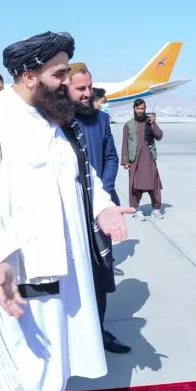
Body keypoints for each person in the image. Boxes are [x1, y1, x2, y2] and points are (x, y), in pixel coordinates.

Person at [0, 31, 133, 391]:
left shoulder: (53, 119)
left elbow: (83, 175)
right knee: (9, 358)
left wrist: (103, 208)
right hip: (10, 266)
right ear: (29, 75)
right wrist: (0, 263)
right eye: (59, 73)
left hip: (57, 260)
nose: (66, 80)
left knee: (50, 352)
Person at [68, 64, 131, 354]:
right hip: (71, 210)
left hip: (101, 207)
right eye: (80, 88)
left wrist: (102, 193)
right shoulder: (56, 122)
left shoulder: (101, 119)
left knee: (100, 274)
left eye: (89, 87)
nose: (87, 93)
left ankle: (98, 331)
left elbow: (110, 157)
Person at [122, 99, 164, 220]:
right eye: (138, 108)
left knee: (154, 184)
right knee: (135, 185)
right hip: (135, 159)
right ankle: (136, 209)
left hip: (149, 157)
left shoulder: (150, 122)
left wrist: (153, 124)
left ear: (145, 109)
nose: (140, 111)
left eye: (142, 108)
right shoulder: (128, 125)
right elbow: (125, 143)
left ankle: (156, 209)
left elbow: (159, 136)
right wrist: (125, 161)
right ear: (134, 109)